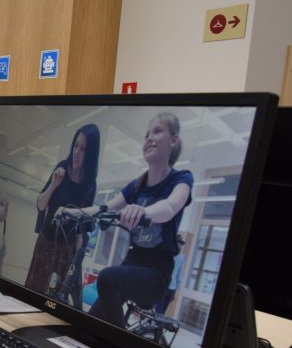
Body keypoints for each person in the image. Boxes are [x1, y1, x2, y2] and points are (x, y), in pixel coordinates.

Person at [60, 112, 193, 329]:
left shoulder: (181, 178)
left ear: (173, 140)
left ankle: (122, 343)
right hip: (131, 264)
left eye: (157, 131)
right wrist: (70, 212)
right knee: (88, 327)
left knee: (106, 277)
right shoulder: (136, 185)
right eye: (147, 134)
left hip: (156, 273)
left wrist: (143, 211)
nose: (149, 138)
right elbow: (104, 207)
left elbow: (169, 207)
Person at [25, 124, 100, 296]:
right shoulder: (62, 168)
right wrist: (53, 185)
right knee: (33, 291)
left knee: (56, 299)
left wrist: (76, 263)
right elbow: (41, 205)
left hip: (66, 251)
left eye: (83, 149)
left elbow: (83, 229)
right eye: (76, 146)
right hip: (46, 242)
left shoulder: (90, 184)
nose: (76, 152)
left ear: (90, 154)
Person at [156, 234, 186, 314]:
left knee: (161, 313)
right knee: (159, 312)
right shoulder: (167, 254)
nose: (180, 246)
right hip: (164, 286)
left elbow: (179, 275)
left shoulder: (180, 257)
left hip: (169, 288)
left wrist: (174, 291)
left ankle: (156, 325)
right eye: (179, 243)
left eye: (181, 244)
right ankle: (155, 325)